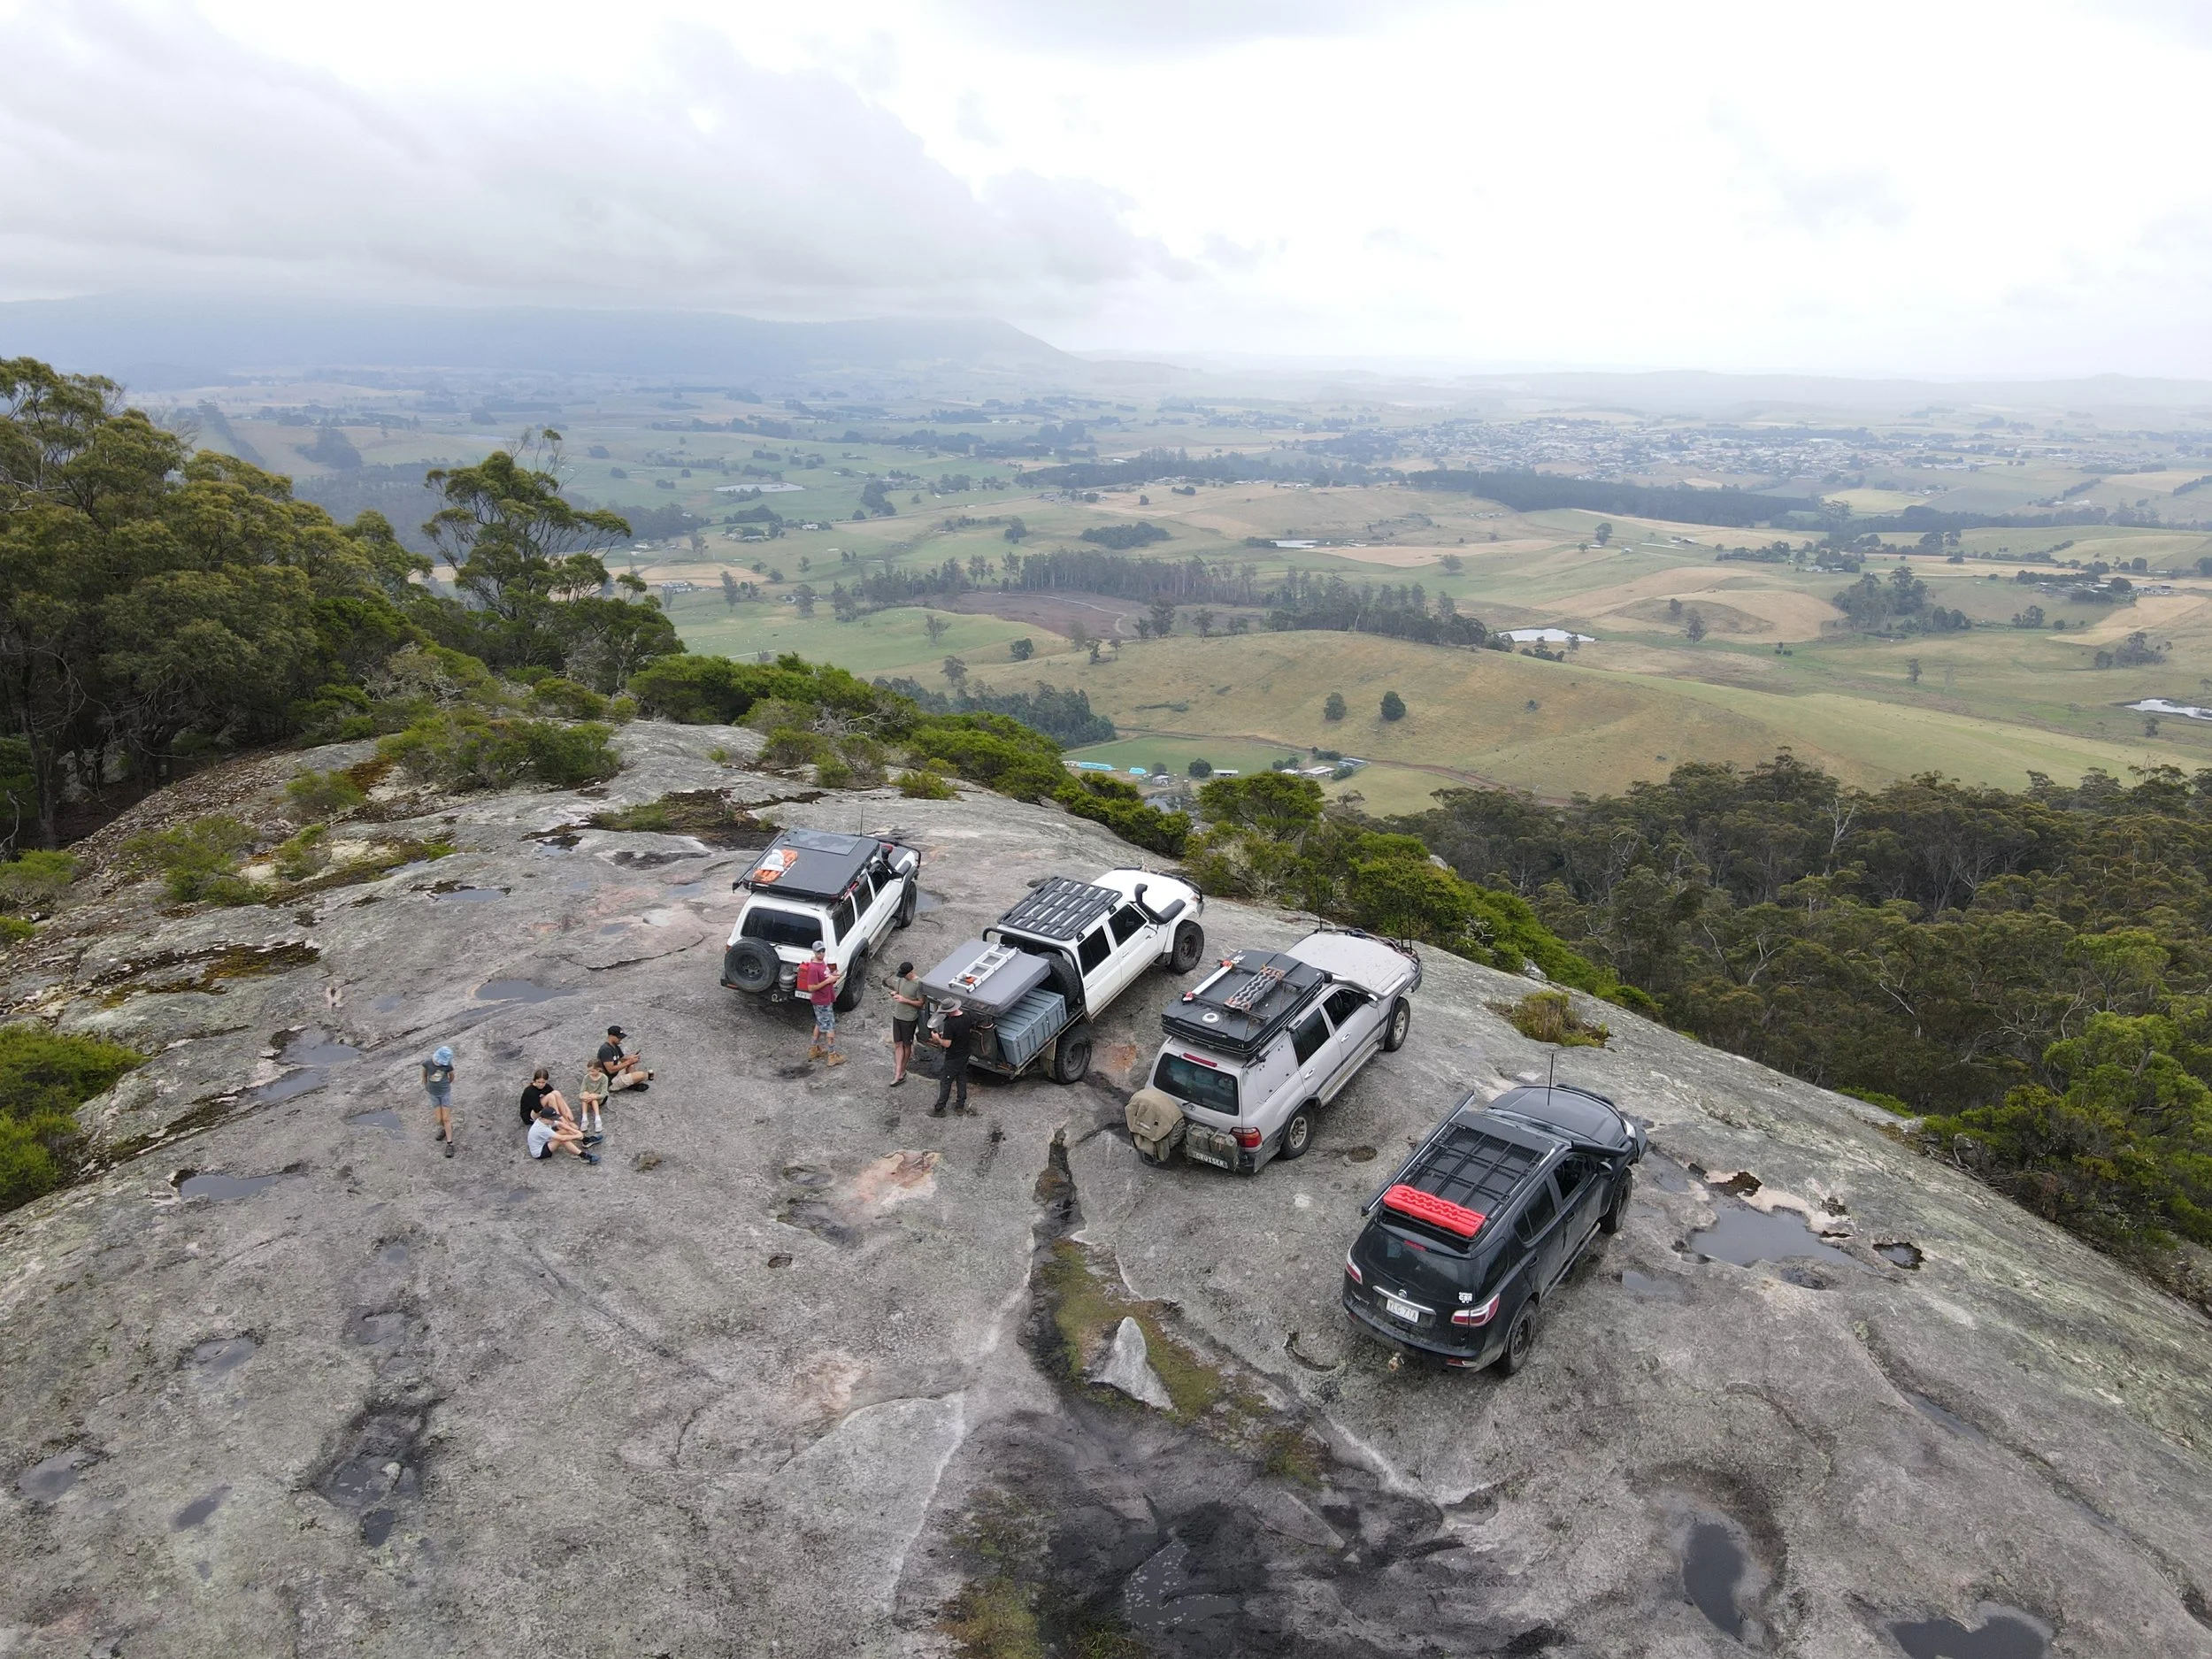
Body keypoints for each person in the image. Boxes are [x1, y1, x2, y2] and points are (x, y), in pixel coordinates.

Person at [931, 1002, 989, 1117]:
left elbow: (947, 1044)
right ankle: (960, 1106)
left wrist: (937, 1038)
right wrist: (947, 1034)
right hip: (965, 1053)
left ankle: (940, 1108)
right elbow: (959, 1033)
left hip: (953, 1057)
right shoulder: (966, 1016)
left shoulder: (950, 1023)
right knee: (961, 1078)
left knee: (946, 1081)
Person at [795, 945, 844, 1065]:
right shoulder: (813, 968)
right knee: (830, 1026)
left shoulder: (822, 964)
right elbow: (811, 987)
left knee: (820, 1022)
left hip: (825, 999)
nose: (821, 954)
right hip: (822, 1001)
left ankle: (813, 1048)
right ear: (814, 952)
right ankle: (832, 1056)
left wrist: (832, 977)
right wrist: (828, 981)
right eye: (818, 952)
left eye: (823, 951)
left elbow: (826, 978)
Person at [520, 1066, 590, 1136]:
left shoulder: (546, 1087)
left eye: (543, 1082)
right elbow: (538, 1110)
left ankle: (567, 1120)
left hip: (543, 1110)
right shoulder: (530, 1091)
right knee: (550, 1097)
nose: (541, 1085)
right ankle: (560, 1122)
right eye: (538, 1082)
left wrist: (567, 1111)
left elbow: (558, 1097)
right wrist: (559, 1117)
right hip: (532, 1114)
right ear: (534, 1080)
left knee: (556, 1093)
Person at [526, 1101, 598, 1164]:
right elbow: (562, 1138)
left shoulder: (542, 1120)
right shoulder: (542, 1129)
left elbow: (560, 1124)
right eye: (552, 1119)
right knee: (562, 1140)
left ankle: (585, 1140)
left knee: (566, 1131)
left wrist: (574, 1131)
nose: (553, 1120)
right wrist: (577, 1136)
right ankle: (583, 1155)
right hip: (540, 1151)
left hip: (544, 1140)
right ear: (545, 1118)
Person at [888, 960, 925, 1087]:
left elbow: (921, 1003)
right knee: (898, 1044)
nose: (902, 976)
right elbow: (899, 992)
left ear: (910, 972)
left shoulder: (918, 983)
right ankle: (898, 1072)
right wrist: (895, 994)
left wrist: (904, 1000)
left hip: (909, 1018)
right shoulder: (902, 979)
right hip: (897, 1015)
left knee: (906, 1045)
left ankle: (902, 1070)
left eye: (904, 974)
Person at [421, 1045, 457, 1157]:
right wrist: (425, 1083)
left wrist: (446, 1086)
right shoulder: (428, 1063)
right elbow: (424, 1072)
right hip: (434, 1094)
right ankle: (446, 1128)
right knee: (439, 1119)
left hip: (444, 1093)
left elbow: (451, 1076)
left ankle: (450, 1144)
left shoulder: (447, 1066)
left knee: (446, 1118)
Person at [595, 1025, 652, 1092]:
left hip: (616, 1074)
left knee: (631, 1066)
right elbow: (611, 1070)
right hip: (610, 1081)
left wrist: (631, 1058)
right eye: (618, 1037)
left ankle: (630, 1083)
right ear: (611, 1036)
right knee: (642, 1075)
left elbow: (621, 1059)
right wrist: (629, 1061)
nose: (621, 1039)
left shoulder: (614, 1046)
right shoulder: (606, 1050)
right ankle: (630, 1085)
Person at [579, 1057, 610, 1133]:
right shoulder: (586, 1078)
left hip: (599, 1098)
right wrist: (584, 1097)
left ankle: (598, 1119)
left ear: (599, 1069)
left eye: (592, 1071)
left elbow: (604, 1093)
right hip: (588, 1098)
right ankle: (584, 1119)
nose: (590, 1073)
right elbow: (581, 1092)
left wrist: (595, 1096)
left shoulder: (604, 1078)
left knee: (593, 1097)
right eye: (589, 1071)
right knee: (586, 1094)